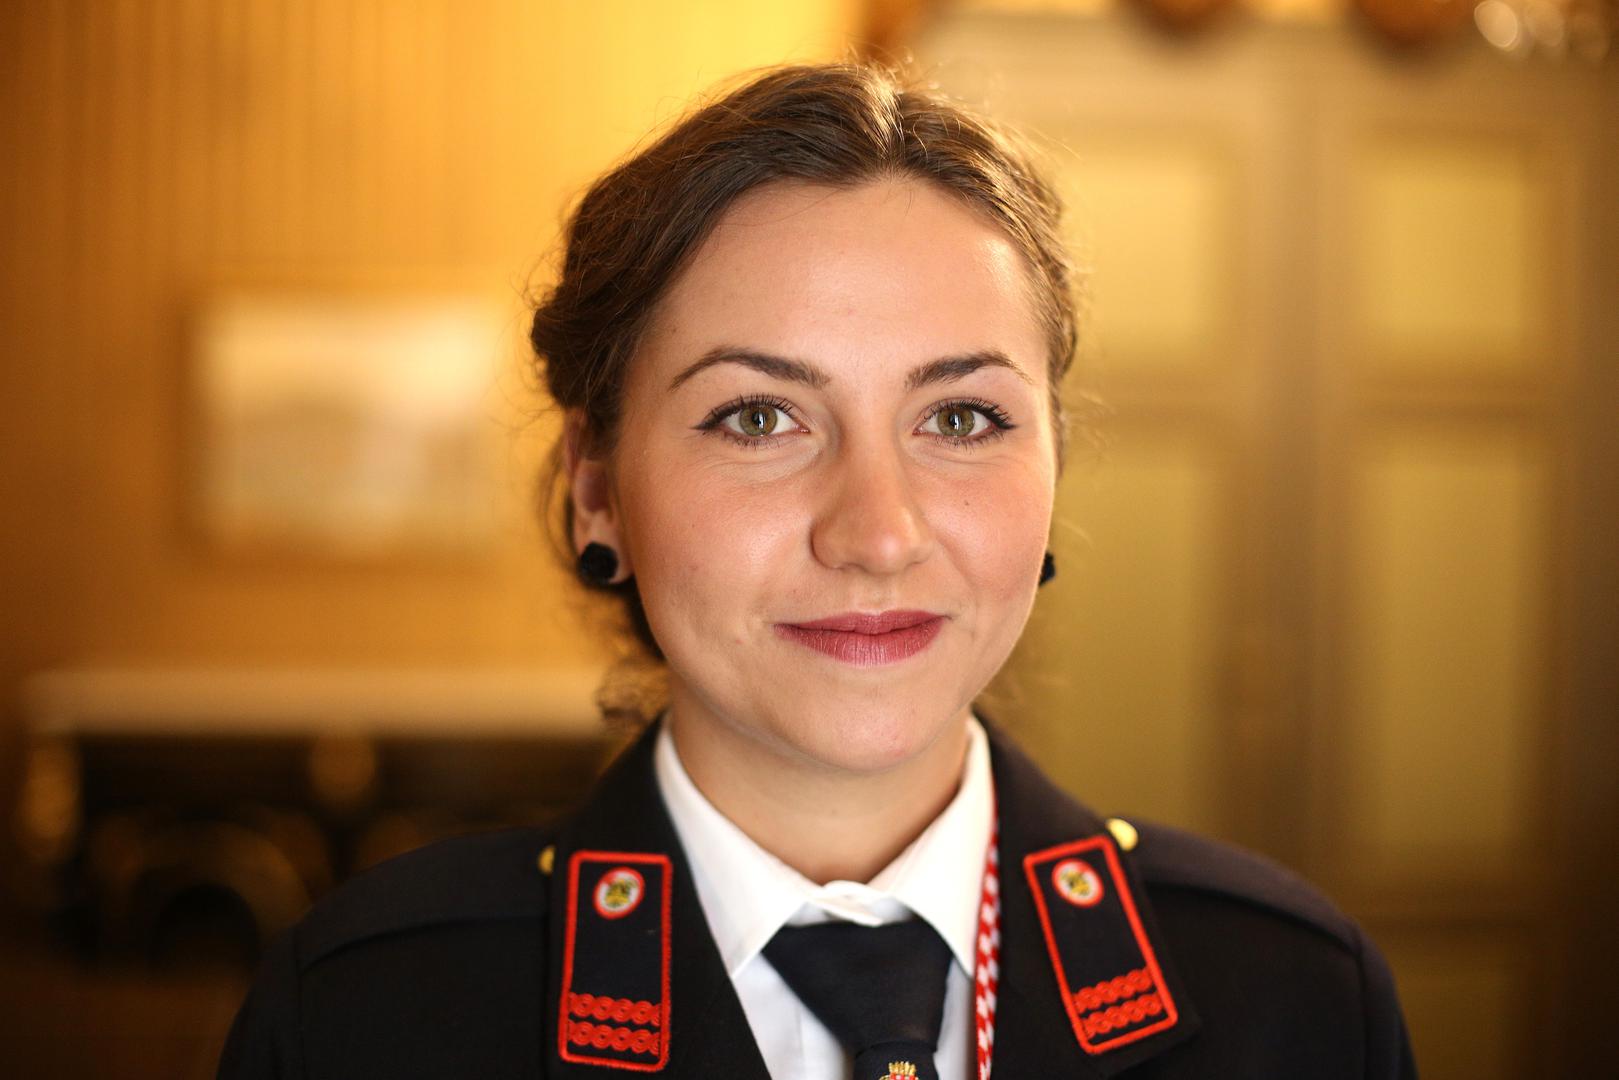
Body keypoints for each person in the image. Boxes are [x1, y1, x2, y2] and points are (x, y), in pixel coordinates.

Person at [217, 61, 1416, 1080]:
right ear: (595, 487)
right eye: (757, 419)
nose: (877, 533)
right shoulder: (366, 1017)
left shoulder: (1294, 999)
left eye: (959, 419)